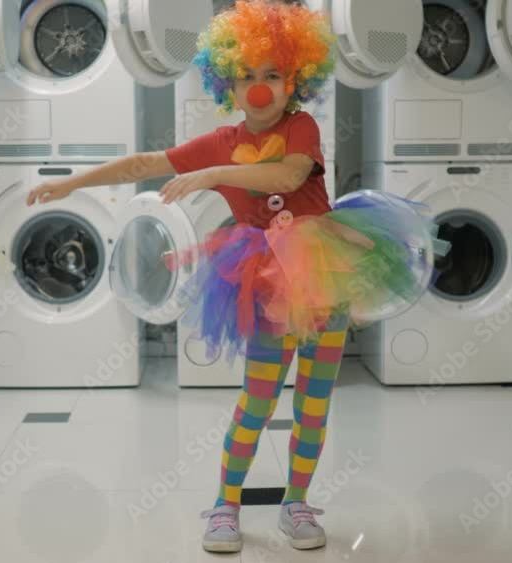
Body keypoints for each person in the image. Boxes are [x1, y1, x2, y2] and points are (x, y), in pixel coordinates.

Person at [27, 0, 444, 553]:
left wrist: (212, 175)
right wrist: (72, 184)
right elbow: (143, 164)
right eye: (246, 75)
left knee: (314, 404)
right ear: (227, 81)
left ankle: (296, 504)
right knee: (258, 401)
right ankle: (226, 506)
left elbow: (288, 175)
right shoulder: (219, 143)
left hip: (324, 272)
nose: (259, 88)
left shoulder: (300, 127)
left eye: (272, 74)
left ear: (294, 79)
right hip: (265, 279)